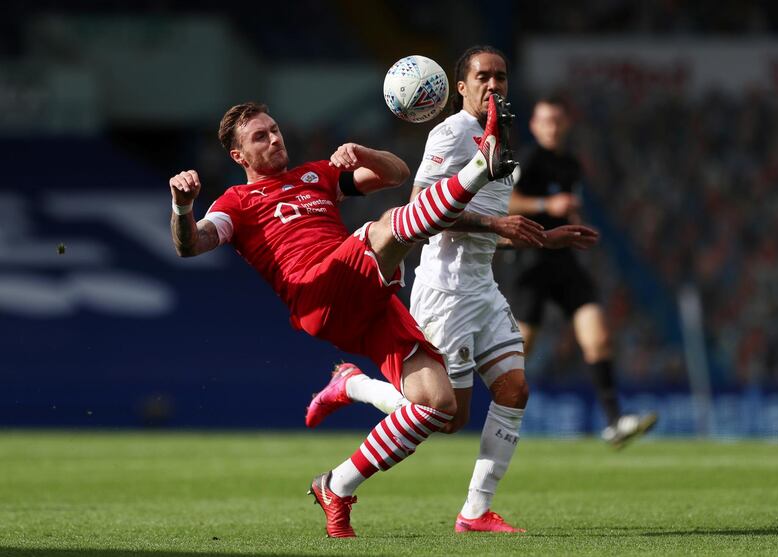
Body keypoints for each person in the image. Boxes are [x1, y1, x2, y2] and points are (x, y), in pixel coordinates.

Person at [168, 96, 534, 538]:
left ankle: (337, 484)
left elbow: (396, 174)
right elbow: (191, 245)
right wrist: (183, 207)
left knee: (438, 406)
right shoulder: (238, 201)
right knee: (390, 226)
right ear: (238, 156)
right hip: (320, 291)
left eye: (275, 128)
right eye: (260, 136)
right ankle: (480, 167)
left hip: (367, 299)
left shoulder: (315, 176)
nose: (274, 138)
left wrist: (361, 154)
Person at [304, 46, 599, 533]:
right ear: (461, 87)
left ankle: (475, 512)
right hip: (444, 291)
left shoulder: (503, 145)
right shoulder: (452, 132)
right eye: (483, 76)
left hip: (481, 288)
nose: (493, 84)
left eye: (501, 76)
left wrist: (542, 237)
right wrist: (495, 221)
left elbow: (494, 231)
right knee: (444, 418)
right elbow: (422, 210)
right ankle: (351, 389)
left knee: (515, 388)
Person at [505, 95, 657, 448]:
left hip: (564, 261)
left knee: (599, 337)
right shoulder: (527, 159)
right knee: (519, 352)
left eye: (557, 120)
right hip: (530, 261)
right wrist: (545, 204)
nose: (552, 126)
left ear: (565, 124)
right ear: (534, 125)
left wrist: (575, 224)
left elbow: (568, 207)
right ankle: (493, 419)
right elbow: (506, 202)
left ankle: (614, 420)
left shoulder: (571, 164)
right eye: (546, 120)